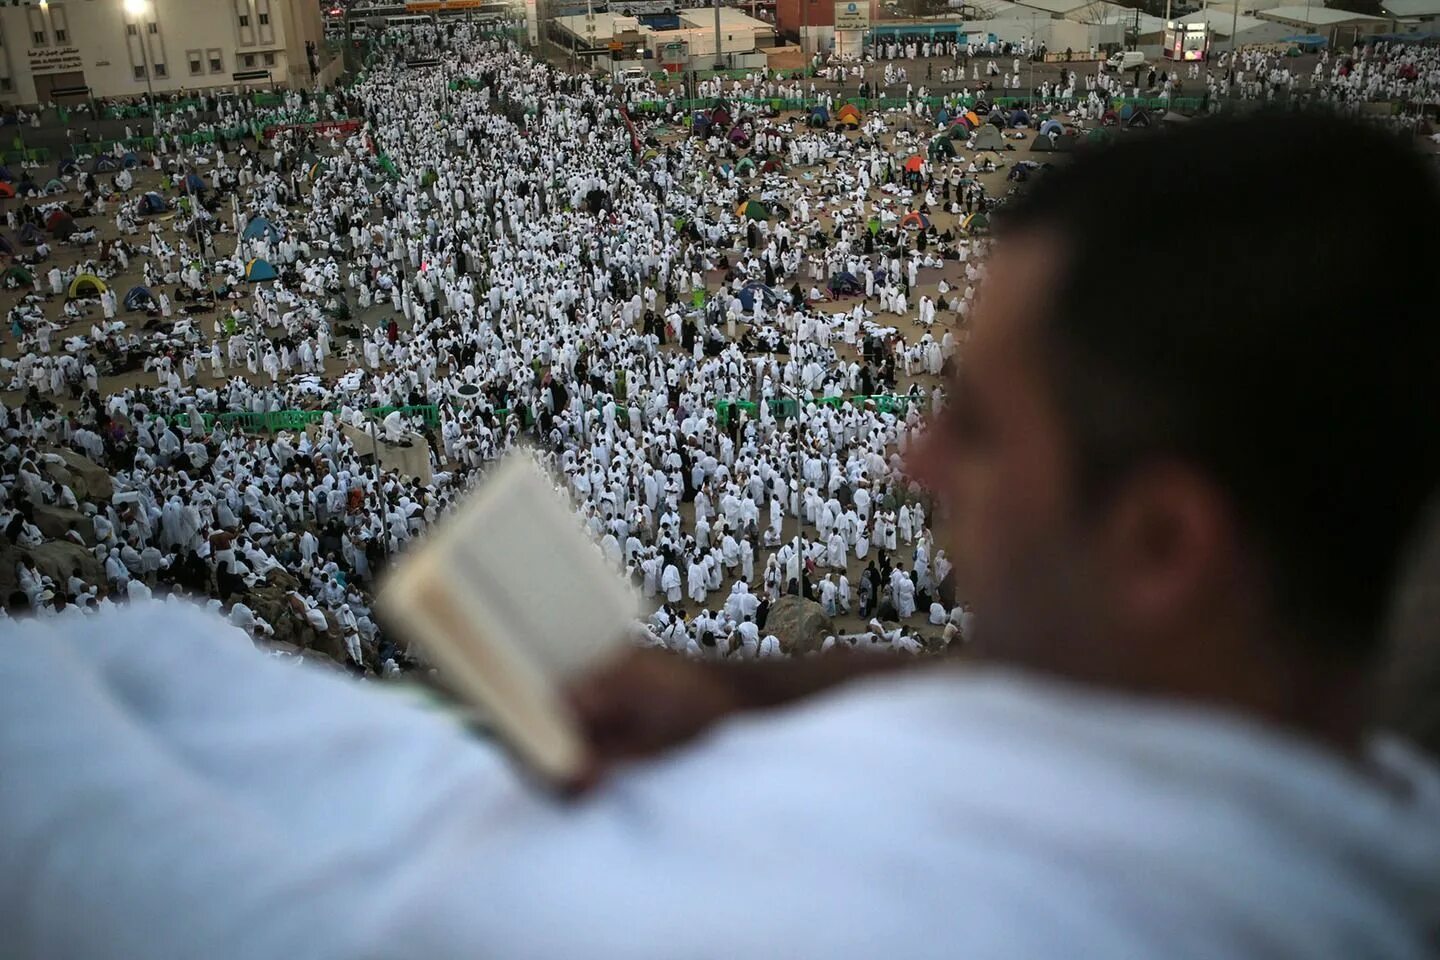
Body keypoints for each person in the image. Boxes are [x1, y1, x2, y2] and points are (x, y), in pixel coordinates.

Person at [4, 111, 1440, 960]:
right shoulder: (1367, 813)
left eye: (979, 424)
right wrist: (752, 689)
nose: (911, 456)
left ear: (1164, 543)